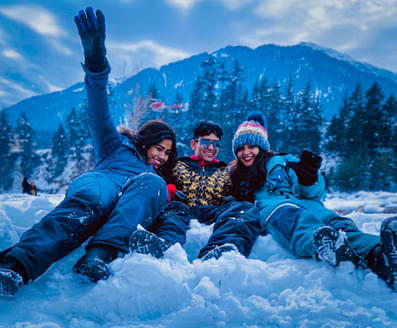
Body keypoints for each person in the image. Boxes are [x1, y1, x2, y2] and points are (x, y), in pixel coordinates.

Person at [0, 7, 177, 297]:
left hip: (133, 196)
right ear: (145, 142)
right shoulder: (115, 145)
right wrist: (96, 65)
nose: (163, 156)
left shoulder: (152, 179)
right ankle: (14, 267)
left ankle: (96, 258)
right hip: (103, 182)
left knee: (154, 185)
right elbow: (98, 110)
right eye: (159, 148)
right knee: (88, 203)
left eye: (168, 153)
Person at [214, 111, 396, 290]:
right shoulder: (234, 174)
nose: (245, 152)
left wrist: (309, 179)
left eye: (251, 147)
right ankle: (331, 249)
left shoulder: (283, 161)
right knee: (302, 225)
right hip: (277, 211)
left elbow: (315, 193)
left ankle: (381, 254)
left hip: (311, 206)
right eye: (240, 148)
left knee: (341, 224)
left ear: (262, 146)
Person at [129, 120, 261, 260]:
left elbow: (244, 189)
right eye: (206, 142)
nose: (211, 147)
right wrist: (170, 190)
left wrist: (234, 198)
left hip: (215, 210)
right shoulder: (176, 165)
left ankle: (223, 249)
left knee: (244, 209)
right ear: (193, 144)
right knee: (171, 214)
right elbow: (158, 180)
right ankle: (164, 245)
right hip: (183, 208)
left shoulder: (228, 170)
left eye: (216, 144)